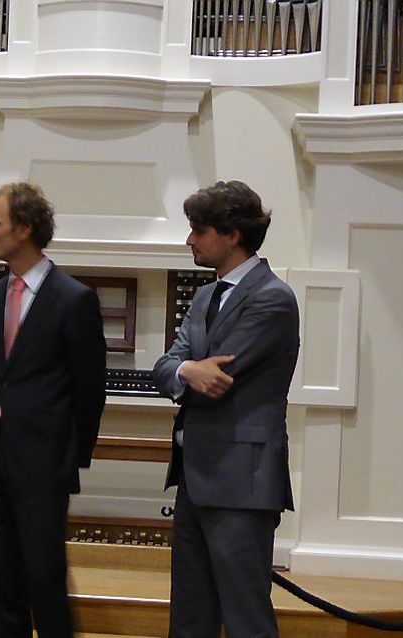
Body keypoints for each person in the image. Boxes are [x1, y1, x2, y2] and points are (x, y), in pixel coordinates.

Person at [153, 181, 299, 638]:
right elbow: (165, 367)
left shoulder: (272, 298)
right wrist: (185, 371)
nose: (190, 240)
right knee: (190, 615)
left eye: (199, 229)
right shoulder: (204, 296)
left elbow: (218, 380)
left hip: (242, 479)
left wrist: (188, 371)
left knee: (244, 617)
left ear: (233, 234)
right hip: (196, 475)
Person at [0, 182, 107, 638]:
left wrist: (69, 460)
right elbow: (3, 379)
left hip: (43, 464)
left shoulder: (74, 299)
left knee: (44, 580)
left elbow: (90, 390)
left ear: (24, 229)